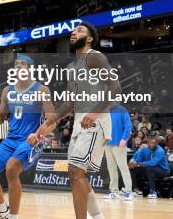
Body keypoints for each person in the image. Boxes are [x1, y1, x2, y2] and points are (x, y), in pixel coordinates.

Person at [34, 22, 120, 219]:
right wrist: (49, 122)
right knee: (75, 174)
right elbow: (69, 104)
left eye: (80, 30)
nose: (74, 33)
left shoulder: (95, 57)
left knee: (75, 170)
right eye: (73, 30)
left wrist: (95, 112)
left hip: (96, 120)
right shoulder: (72, 67)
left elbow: (115, 88)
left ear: (90, 39)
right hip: (80, 122)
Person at [0, 54, 54, 219]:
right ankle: (2, 211)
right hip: (10, 140)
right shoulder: (7, 90)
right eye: (16, 64)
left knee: (11, 168)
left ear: (30, 69)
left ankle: (13, 217)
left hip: (31, 141)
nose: (18, 67)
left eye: (22, 64)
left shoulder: (41, 90)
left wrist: (38, 134)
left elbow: (52, 121)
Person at [104, 105, 133, 201]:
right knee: (111, 168)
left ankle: (129, 191)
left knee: (123, 167)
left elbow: (128, 126)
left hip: (119, 143)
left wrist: (124, 139)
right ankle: (114, 191)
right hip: (107, 143)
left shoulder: (121, 109)